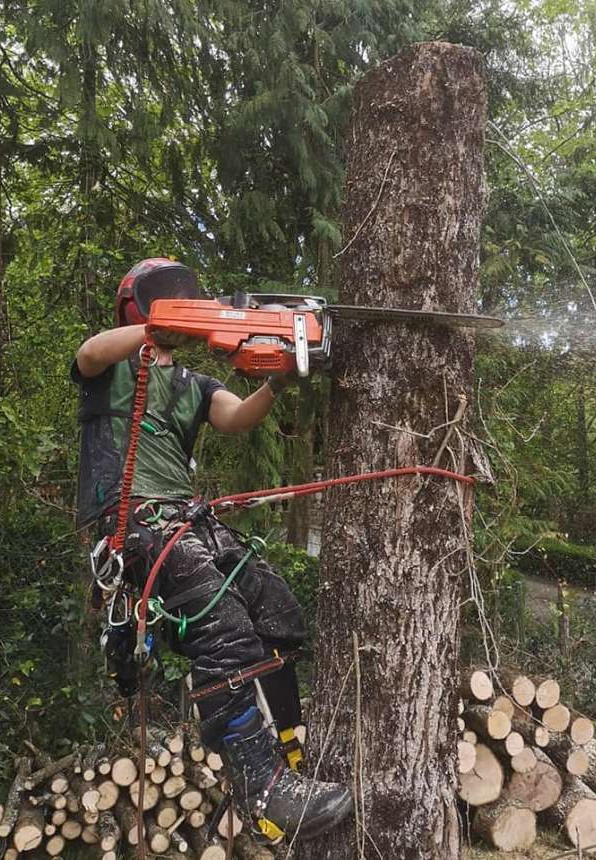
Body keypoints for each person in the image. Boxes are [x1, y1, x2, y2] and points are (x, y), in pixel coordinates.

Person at [72, 257, 352, 842]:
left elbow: (237, 417)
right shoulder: (115, 368)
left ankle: (289, 755)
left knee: (278, 613)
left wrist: (279, 377)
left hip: (185, 519)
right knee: (220, 623)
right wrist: (158, 332)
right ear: (142, 307)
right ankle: (266, 791)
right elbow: (90, 353)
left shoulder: (196, 386)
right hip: (131, 522)